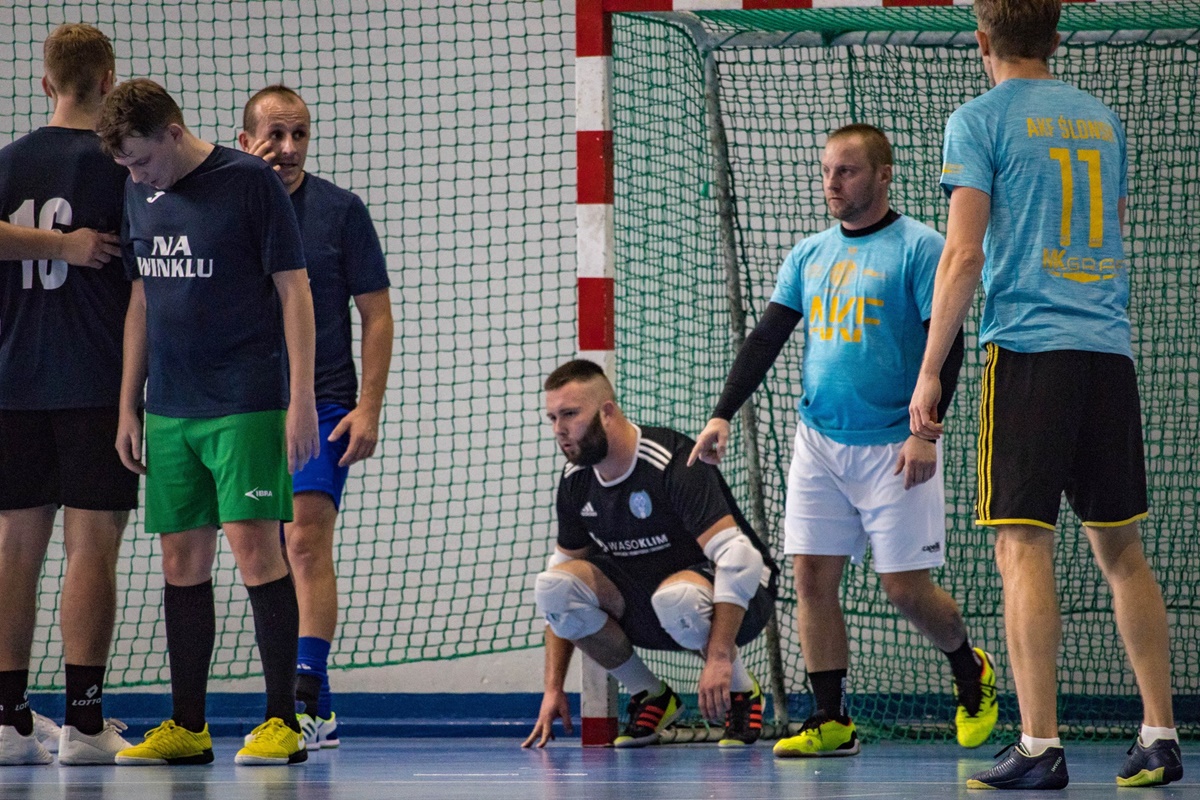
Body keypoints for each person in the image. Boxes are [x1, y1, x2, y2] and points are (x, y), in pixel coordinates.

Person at [910, 0, 1181, 790]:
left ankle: (1038, 744)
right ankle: (1160, 734)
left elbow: (963, 255)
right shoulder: (1102, 120)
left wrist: (930, 370)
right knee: (1122, 550)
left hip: (1029, 351)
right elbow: (1112, 224)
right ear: (1056, 38)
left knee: (1021, 546)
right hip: (1108, 353)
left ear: (982, 40)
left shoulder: (978, 120)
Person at [692, 125, 997, 759]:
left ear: (884, 175)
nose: (832, 183)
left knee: (904, 589)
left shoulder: (921, 248)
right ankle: (831, 719)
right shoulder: (809, 255)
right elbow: (766, 338)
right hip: (820, 443)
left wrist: (924, 432)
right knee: (810, 579)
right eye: (827, 170)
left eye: (847, 171)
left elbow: (949, 347)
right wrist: (721, 414)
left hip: (896, 446)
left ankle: (969, 666)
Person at [96, 78, 320, 767]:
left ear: (173, 133)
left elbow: (294, 289)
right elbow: (141, 297)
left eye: (142, 160)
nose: (137, 175)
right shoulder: (137, 187)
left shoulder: (248, 181)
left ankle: (283, 721)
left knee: (256, 549)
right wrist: (129, 401)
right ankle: (188, 727)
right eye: (126, 165)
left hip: (244, 398)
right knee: (179, 562)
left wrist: (301, 398)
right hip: (170, 405)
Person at [237, 85, 394, 750]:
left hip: (325, 402)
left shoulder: (340, 212)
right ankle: (317, 708)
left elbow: (377, 314)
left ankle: (301, 698)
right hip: (246, 406)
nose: (288, 148)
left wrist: (368, 407)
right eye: (275, 135)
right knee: (265, 551)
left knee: (304, 540)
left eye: (299, 134)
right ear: (245, 141)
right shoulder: (225, 209)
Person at [0, 23, 136, 767]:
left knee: (15, 545)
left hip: (13, 380)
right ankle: (84, 723)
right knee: (92, 545)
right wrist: (69, 246)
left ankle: (7, 719)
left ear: (45, 82)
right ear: (109, 81)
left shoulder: (8, 162)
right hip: (94, 383)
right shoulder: (120, 168)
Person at [523, 359, 779, 749]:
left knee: (677, 597)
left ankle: (742, 691)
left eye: (570, 414)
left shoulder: (672, 460)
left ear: (607, 412)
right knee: (553, 587)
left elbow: (739, 558)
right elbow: (556, 604)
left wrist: (719, 659)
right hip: (653, 607)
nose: (559, 429)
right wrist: (553, 687)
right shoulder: (576, 481)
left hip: (739, 599)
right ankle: (653, 695)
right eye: (553, 418)